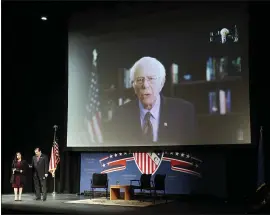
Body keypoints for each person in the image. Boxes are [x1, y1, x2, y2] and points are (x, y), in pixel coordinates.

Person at [106, 56, 197, 145]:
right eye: (139, 80)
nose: (145, 85)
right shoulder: (120, 114)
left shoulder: (183, 111)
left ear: (161, 83)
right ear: (133, 86)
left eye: (151, 79)